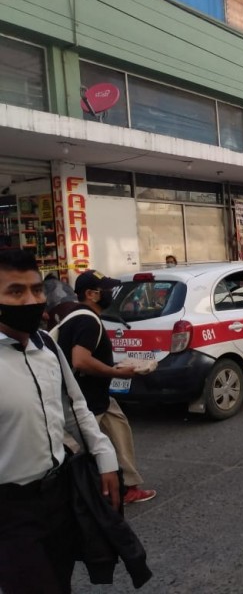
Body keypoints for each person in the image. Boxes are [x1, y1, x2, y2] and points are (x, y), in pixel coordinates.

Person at [0, 250, 120, 593]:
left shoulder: (47, 347)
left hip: (59, 495)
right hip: (10, 511)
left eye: (37, 290)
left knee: (61, 581)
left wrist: (105, 456)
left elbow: (75, 407)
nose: (31, 300)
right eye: (15, 292)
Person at [55, 269, 156, 505]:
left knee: (119, 429)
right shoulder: (88, 321)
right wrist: (116, 372)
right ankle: (70, 497)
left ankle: (129, 486)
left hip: (98, 394)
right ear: (91, 294)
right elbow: (81, 360)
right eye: (107, 290)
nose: (112, 293)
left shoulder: (76, 315)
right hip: (86, 399)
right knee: (76, 448)